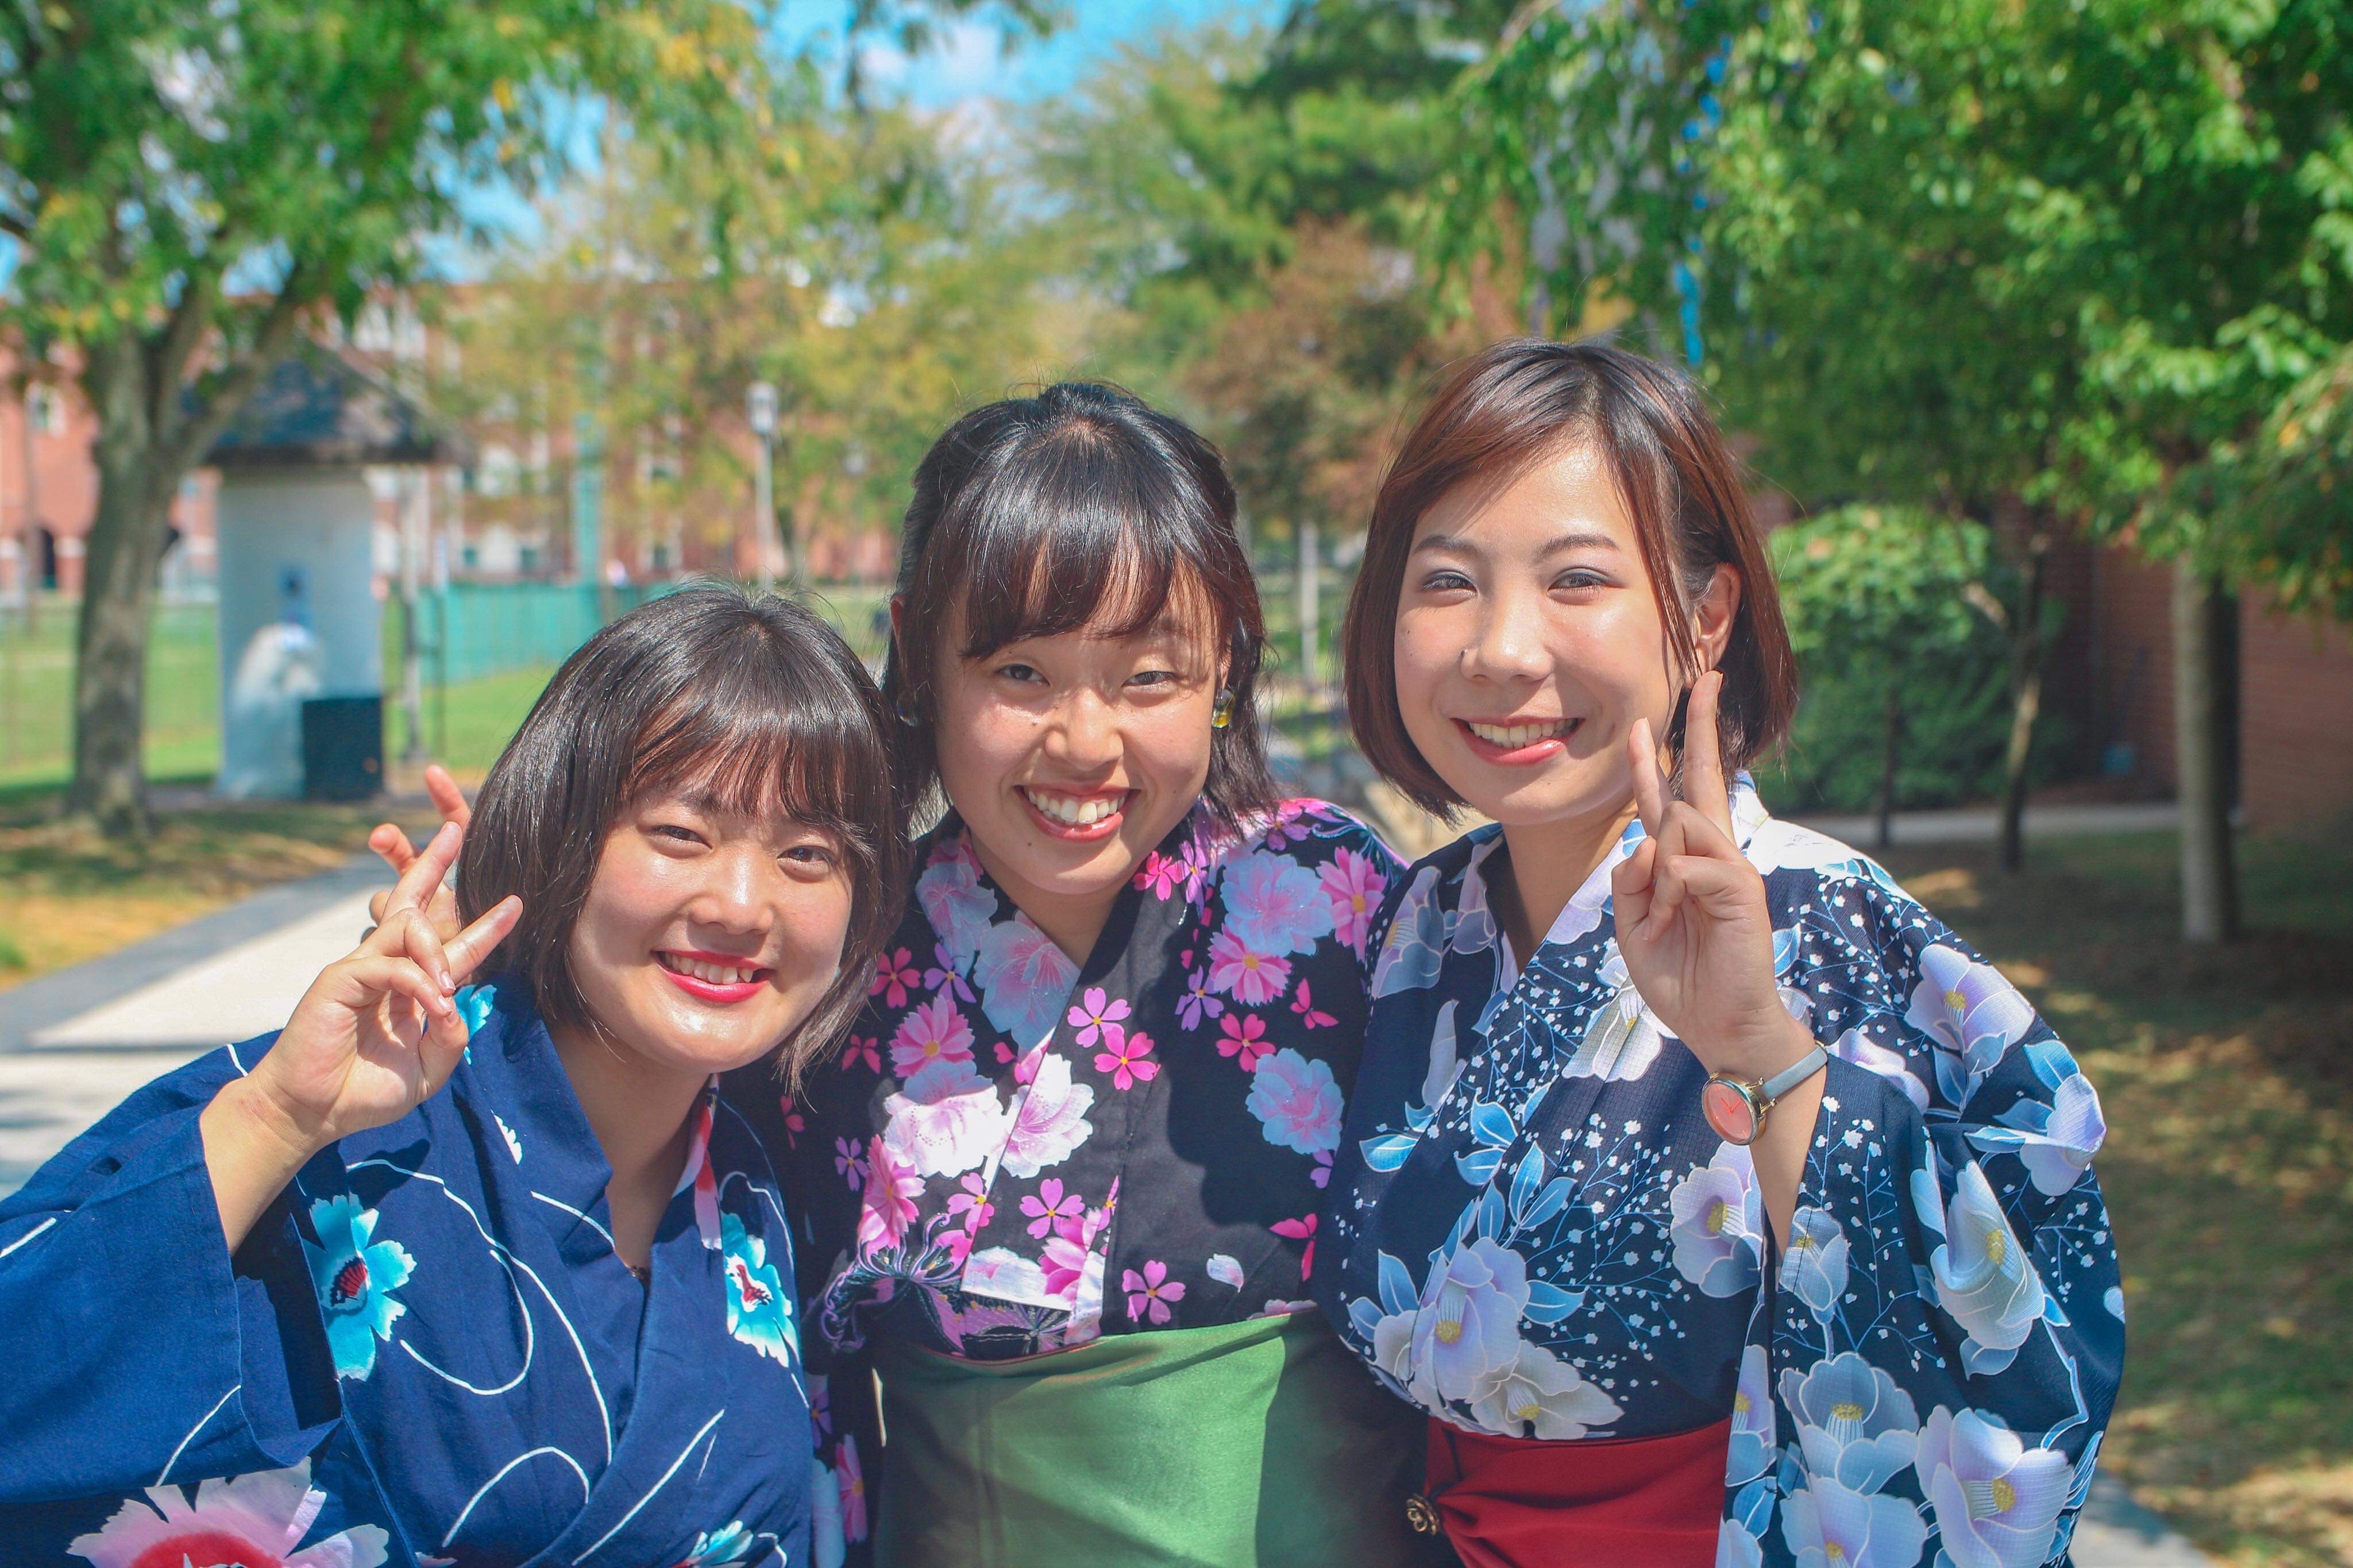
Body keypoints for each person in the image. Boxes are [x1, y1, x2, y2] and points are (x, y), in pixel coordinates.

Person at [1315, 340, 2123, 1567]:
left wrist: (1760, 1048)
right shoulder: (1419, 928)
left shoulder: (1831, 924)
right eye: (1445, 583)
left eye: (1574, 580)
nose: (1499, 650)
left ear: (1702, 619)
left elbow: (2014, 1345)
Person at [0, 586, 904, 1568]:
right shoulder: (342, 1099)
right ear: (563, 835)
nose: (742, 903)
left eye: (808, 854)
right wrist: (274, 1119)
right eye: (681, 832)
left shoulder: (765, 1183)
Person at [761, 383, 1434, 1565]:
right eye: (1019, 674)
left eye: (1147, 678)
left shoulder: (1339, 904)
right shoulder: (837, 953)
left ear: (1223, 664)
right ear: (917, 657)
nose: (1084, 742)